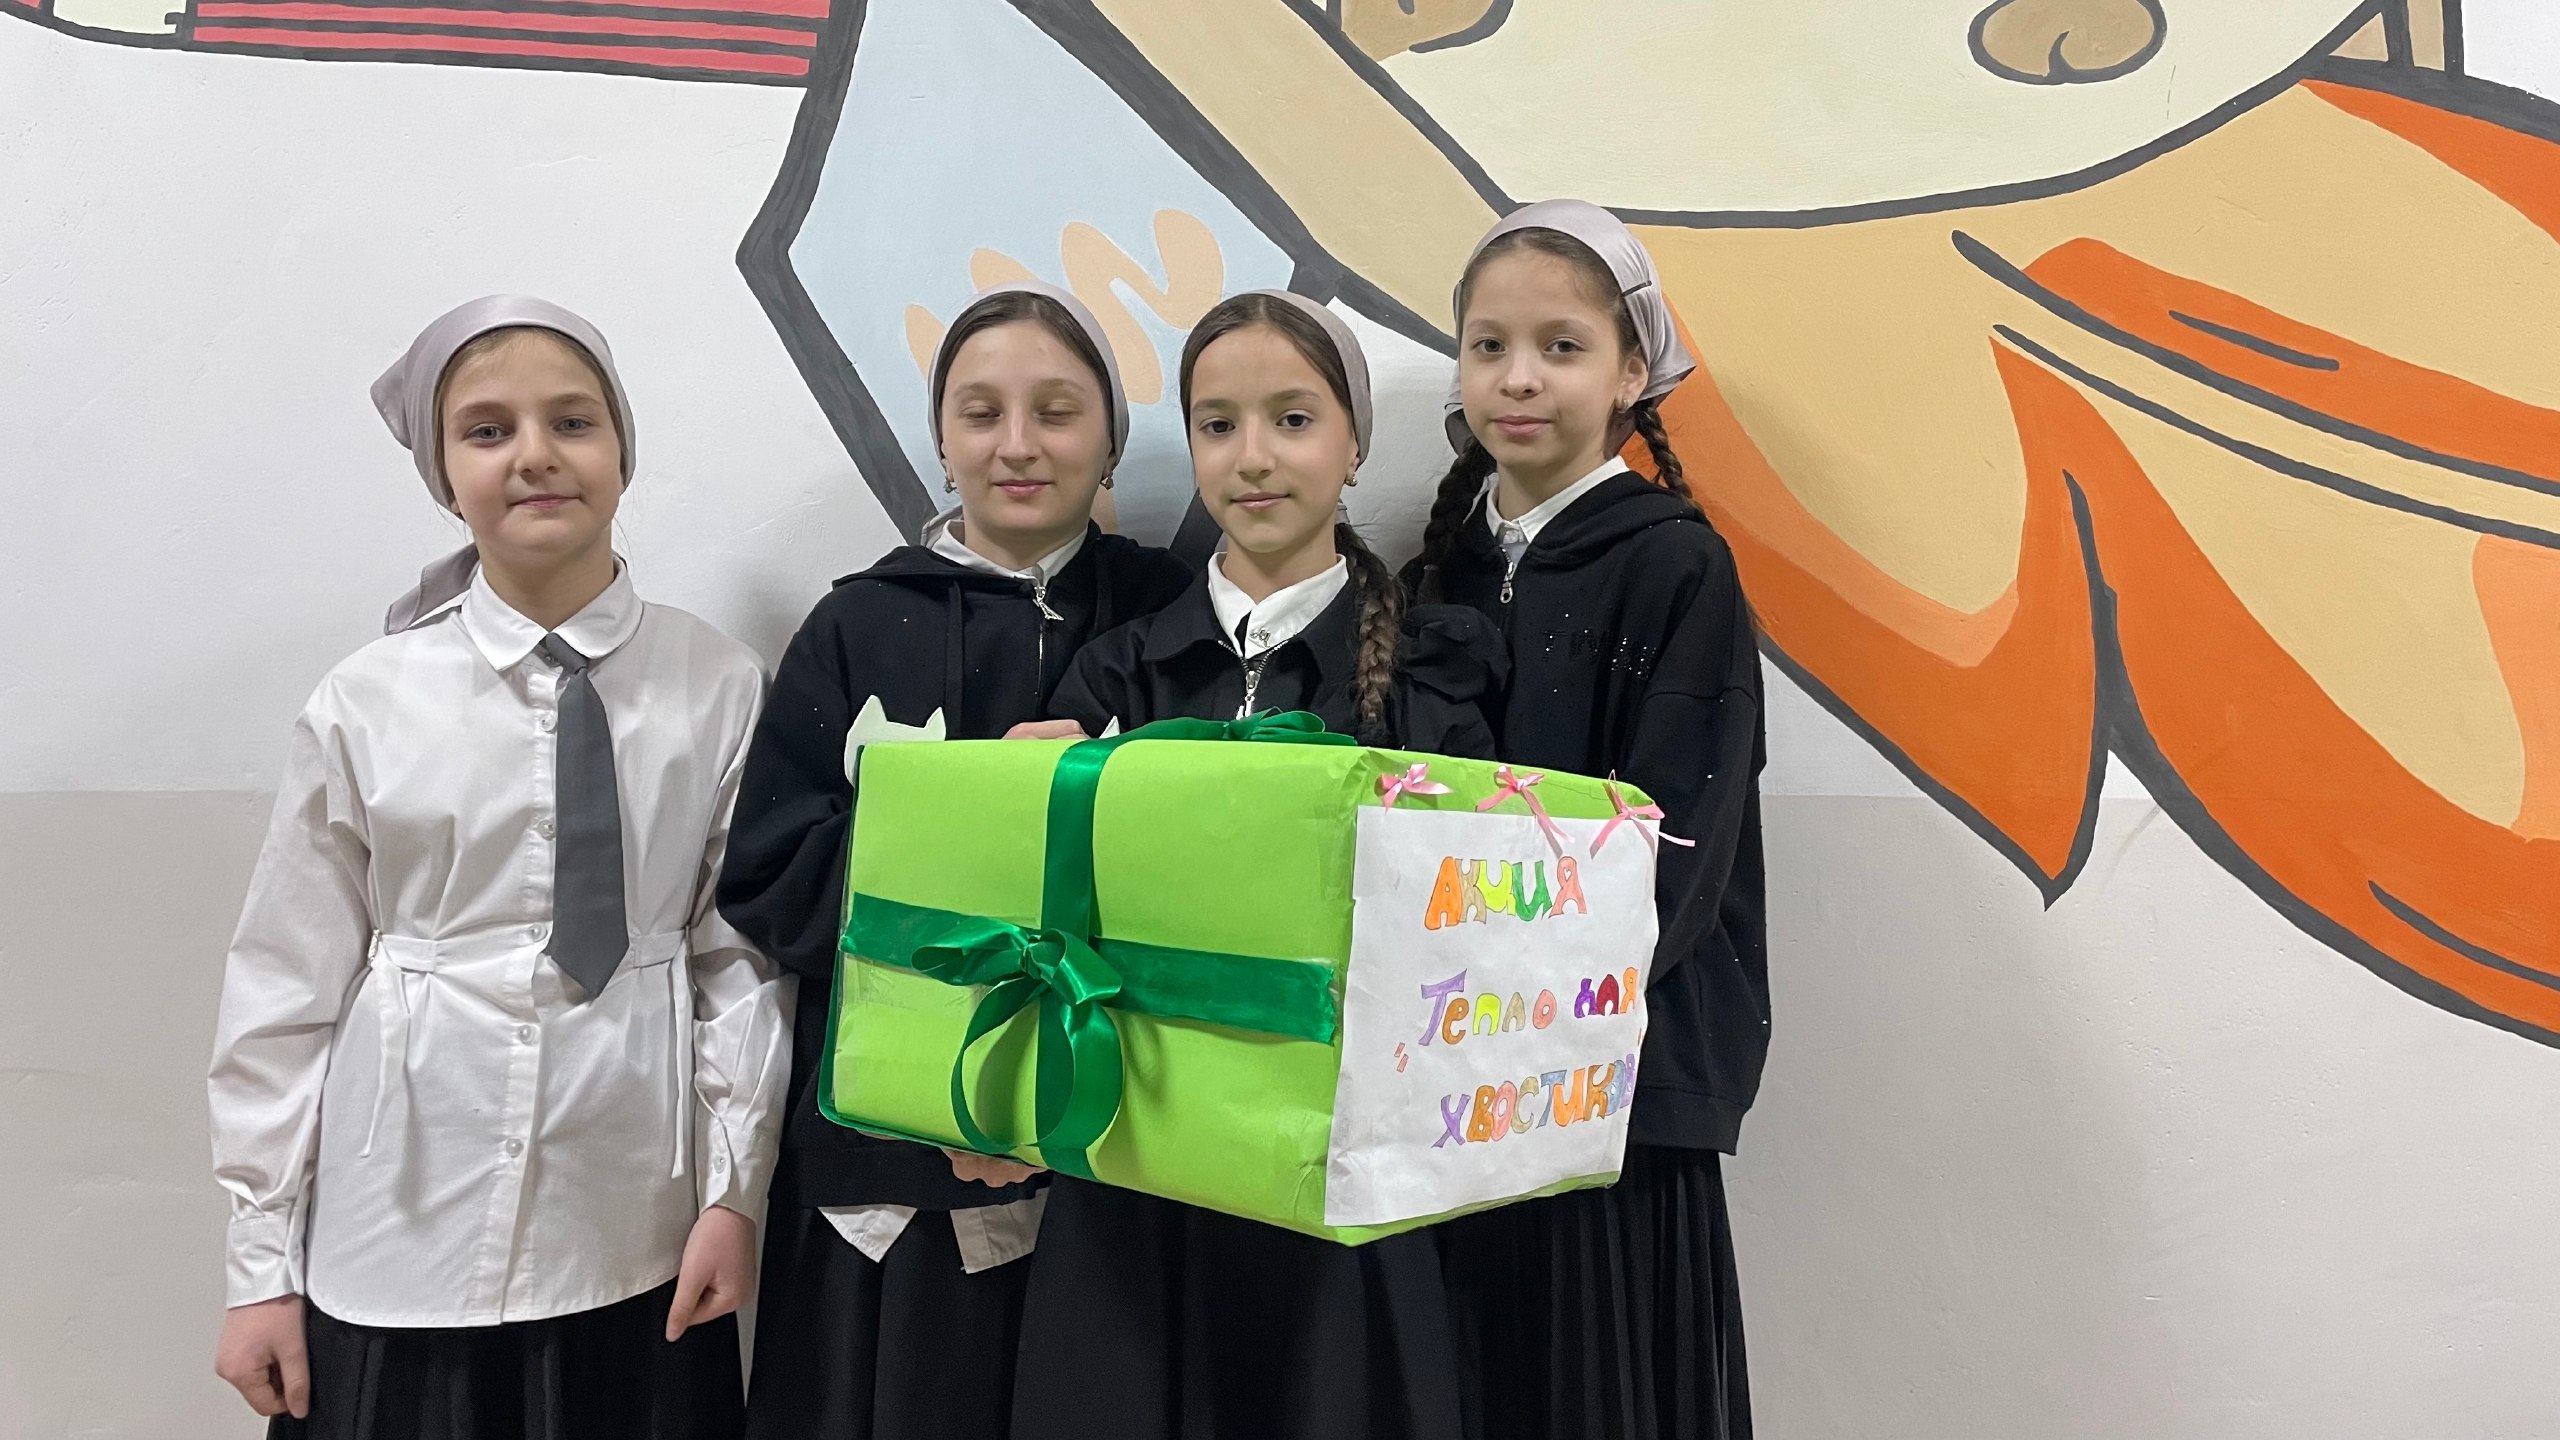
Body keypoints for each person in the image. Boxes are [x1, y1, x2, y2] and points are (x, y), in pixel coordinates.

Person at [208, 296, 790, 1440]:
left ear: (623, 447)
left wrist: (735, 1195)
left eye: (572, 421)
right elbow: (283, 989)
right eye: (487, 430)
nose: (534, 455)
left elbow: (737, 966)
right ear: (442, 473)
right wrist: (258, 1269)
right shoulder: (367, 701)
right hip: (400, 1225)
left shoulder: (717, 683)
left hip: (629, 1221)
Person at [1006, 289, 1500, 1440]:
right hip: (1136, 1173)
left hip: (1341, 1186)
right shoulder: (1117, 673)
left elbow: (1463, 936)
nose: (1254, 456)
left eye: (1292, 418)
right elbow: (1049, 929)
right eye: (1218, 424)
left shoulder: (1434, 668)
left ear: (1353, 443)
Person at [714, 280, 1192, 1440]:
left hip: (1115, 1158)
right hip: (890, 1169)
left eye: (1056, 411)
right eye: (981, 413)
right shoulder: (855, 626)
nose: (1017, 444)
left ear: (1110, 439)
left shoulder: (1168, 620)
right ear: (940, 440)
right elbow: (774, 878)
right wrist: (968, 831)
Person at [1408, 199, 1768, 1440]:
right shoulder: (1437, 570)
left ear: (1630, 372)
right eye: (1488, 346)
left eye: (1560, 347)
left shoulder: (1676, 567)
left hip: (1610, 1089)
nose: (1519, 378)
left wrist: (1541, 1015)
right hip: (1452, 1085)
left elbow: (1678, 852)